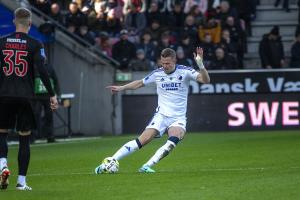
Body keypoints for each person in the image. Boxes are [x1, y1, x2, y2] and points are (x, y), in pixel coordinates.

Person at [95, 47, 210, 173]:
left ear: (174, 61)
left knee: (173, 141)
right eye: (163, 63)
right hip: (161, 116)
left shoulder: (186, 71)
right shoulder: (157, 73)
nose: (165, 66)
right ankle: (111, 160)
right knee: (142, 140)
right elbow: (139, 83)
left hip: (178, 118)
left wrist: (200, 64)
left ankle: (146, 166)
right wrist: (122, 88)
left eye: (168, 63)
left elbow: (205, 80)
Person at [0, 7, 58, 190]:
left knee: (1, 132)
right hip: (26, 96)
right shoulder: (35, 44)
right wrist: (52, 94)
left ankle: (2, 164)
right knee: (24, 138)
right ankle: (21, 182)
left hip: (4, 94)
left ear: (14, 22)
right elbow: (42, 70)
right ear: (30, 24)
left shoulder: (1, 42)